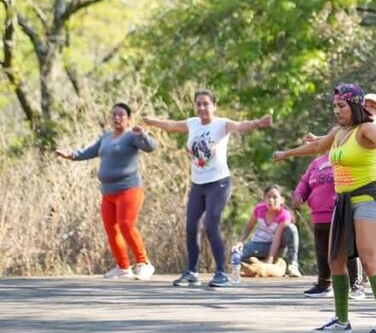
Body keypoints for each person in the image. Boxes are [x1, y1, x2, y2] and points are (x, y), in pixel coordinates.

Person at [273, 83, 376, 333]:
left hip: (366, 198)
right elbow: (317, 147)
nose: (337, 110)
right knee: (336, 261)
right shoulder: (339, 132)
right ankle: (342, 321)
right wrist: (287, 153)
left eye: (341, 106)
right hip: (342, 202)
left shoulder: (366, 128)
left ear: (354, 105)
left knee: (367, 259)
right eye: (335, 106)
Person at [142, 90, 272, 288]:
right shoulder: (192, 123)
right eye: (199, 104)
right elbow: (171, 125)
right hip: (198, 184)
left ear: (214, 105)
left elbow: (239, 126)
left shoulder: (221, 124)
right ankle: (191, 272)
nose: (202, 108)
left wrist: (256, 123)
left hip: (219, 183)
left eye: (206, 104)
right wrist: (152, 121)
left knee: (211, 224)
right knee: (191, 226)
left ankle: (221, 273)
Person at [56, 102, 158, 280]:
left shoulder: (131, 135)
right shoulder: (106, 137)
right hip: (108, 192)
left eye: (121, 115)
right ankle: (123, 267)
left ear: (128, 119)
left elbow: (151, 147)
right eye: (114, 115)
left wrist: (142, 134)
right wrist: (71, 155)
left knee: (126, 225)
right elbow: (90, 151)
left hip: (129, 189)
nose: (117, 118)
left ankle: (144, 263)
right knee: (111, 229)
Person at [292, 154, 364, 298]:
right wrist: (299, 194)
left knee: (348, 249)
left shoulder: (348, 157)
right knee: (322, 250)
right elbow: (305, 181)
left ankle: (356, 285)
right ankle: (324, 284)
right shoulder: (317, 162)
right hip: (319, 214)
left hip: (341, 212)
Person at [237, 184, 301, 277]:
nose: (271, 200)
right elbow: (248, 227)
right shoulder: (259, 209)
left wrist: (270, 260)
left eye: (275, 197)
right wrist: (241, 241)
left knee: (292, 228)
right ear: (264, 199)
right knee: (237, 254)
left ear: (282, 200)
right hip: (258, 244)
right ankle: (257, 263)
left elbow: (277, 239)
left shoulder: (284, 215)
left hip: (275, 246)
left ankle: (292, 265)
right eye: (268, 197)